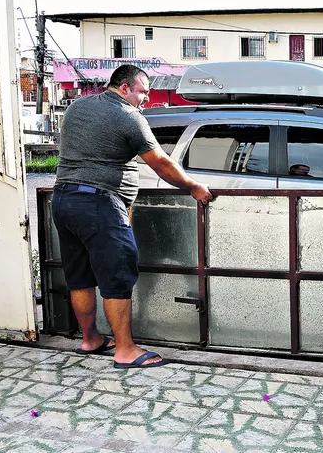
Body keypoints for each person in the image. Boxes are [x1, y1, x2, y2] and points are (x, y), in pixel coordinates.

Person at [52, 64, 212, 369]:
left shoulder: (77, 107)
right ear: (124, 88)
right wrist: (193, 185)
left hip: (63, 199)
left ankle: (90, 339)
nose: (147, 98)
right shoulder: (128, 116)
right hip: (99, 204)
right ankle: (125, 350)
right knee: (117, 278)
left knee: (79, 277)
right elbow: (161, 163)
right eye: (143, 91)